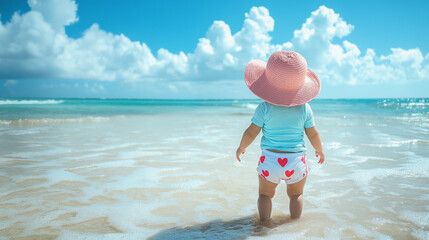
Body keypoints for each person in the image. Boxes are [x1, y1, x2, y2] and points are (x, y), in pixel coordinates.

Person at [236, 50, 325, 222]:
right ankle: (295, 225)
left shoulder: (264, 108)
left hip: (270, 161)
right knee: (296, 194)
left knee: (264, 195)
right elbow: (313, 133)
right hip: (296, 161)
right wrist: (319, 150)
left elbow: (251, 132)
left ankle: (264, 224)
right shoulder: (304, 108)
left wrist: (242, 147)